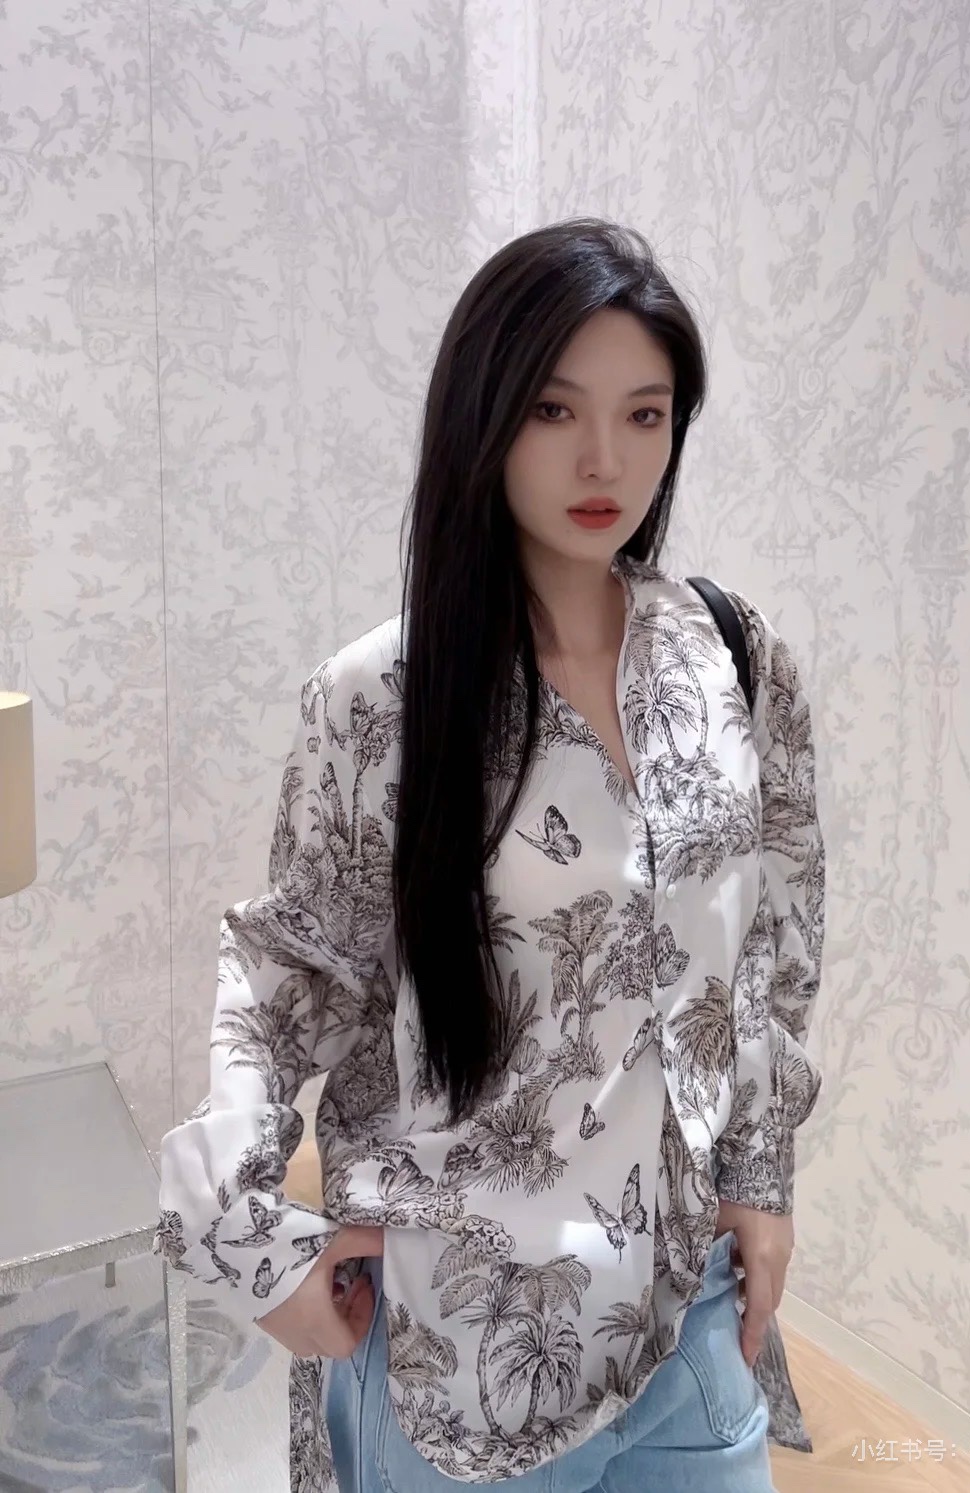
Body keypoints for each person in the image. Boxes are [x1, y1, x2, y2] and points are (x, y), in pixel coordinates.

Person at [154, 217, 825, 1493]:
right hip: (453, 1358)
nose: (603, 458)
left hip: (687, 1321)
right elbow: (282, 977)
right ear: (484, 417)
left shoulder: (733, 655)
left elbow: (775, 941)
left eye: (644, 414)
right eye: (554, 409)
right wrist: (247, 1239)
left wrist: (762, 1174)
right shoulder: (380, 697)